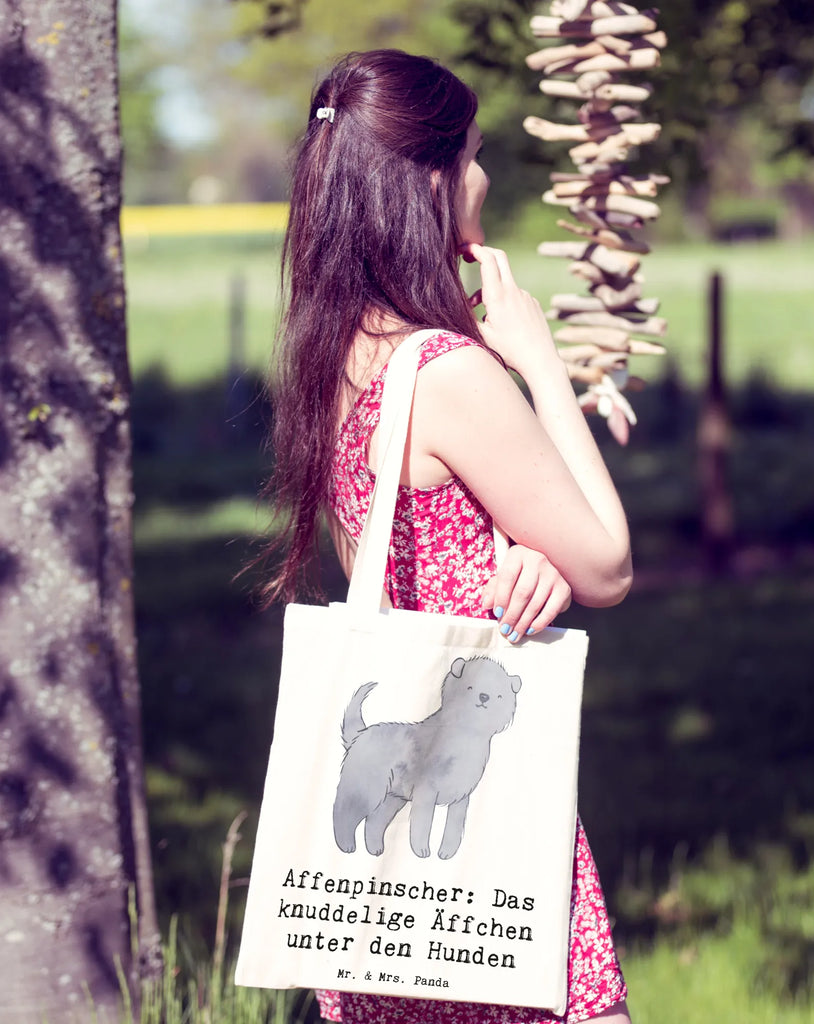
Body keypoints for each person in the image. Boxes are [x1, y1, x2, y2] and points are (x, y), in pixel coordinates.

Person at [261, 48, 633, 1024]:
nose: (484, 177)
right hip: (480, 852)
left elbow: (394, 555)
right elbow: (608, 561)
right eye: (470, 154)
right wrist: (540, 363)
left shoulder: (336, 354)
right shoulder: (449, 373)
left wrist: (516, 554)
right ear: (429, 179)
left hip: (384, 878)